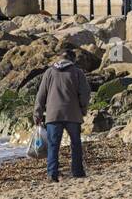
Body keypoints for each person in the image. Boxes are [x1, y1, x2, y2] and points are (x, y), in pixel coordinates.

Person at [34, 49, 92, 182]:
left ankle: (52, 174)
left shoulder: (49, 72)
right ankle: (77, 171)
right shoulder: (77, 72)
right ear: (73, 59)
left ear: (59, 58)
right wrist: (83, 109)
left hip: (53, 115)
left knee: (53, 145)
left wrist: (37, 114)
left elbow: (41, 95)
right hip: (73, 114)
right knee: (75, 143)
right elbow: (85, 93)